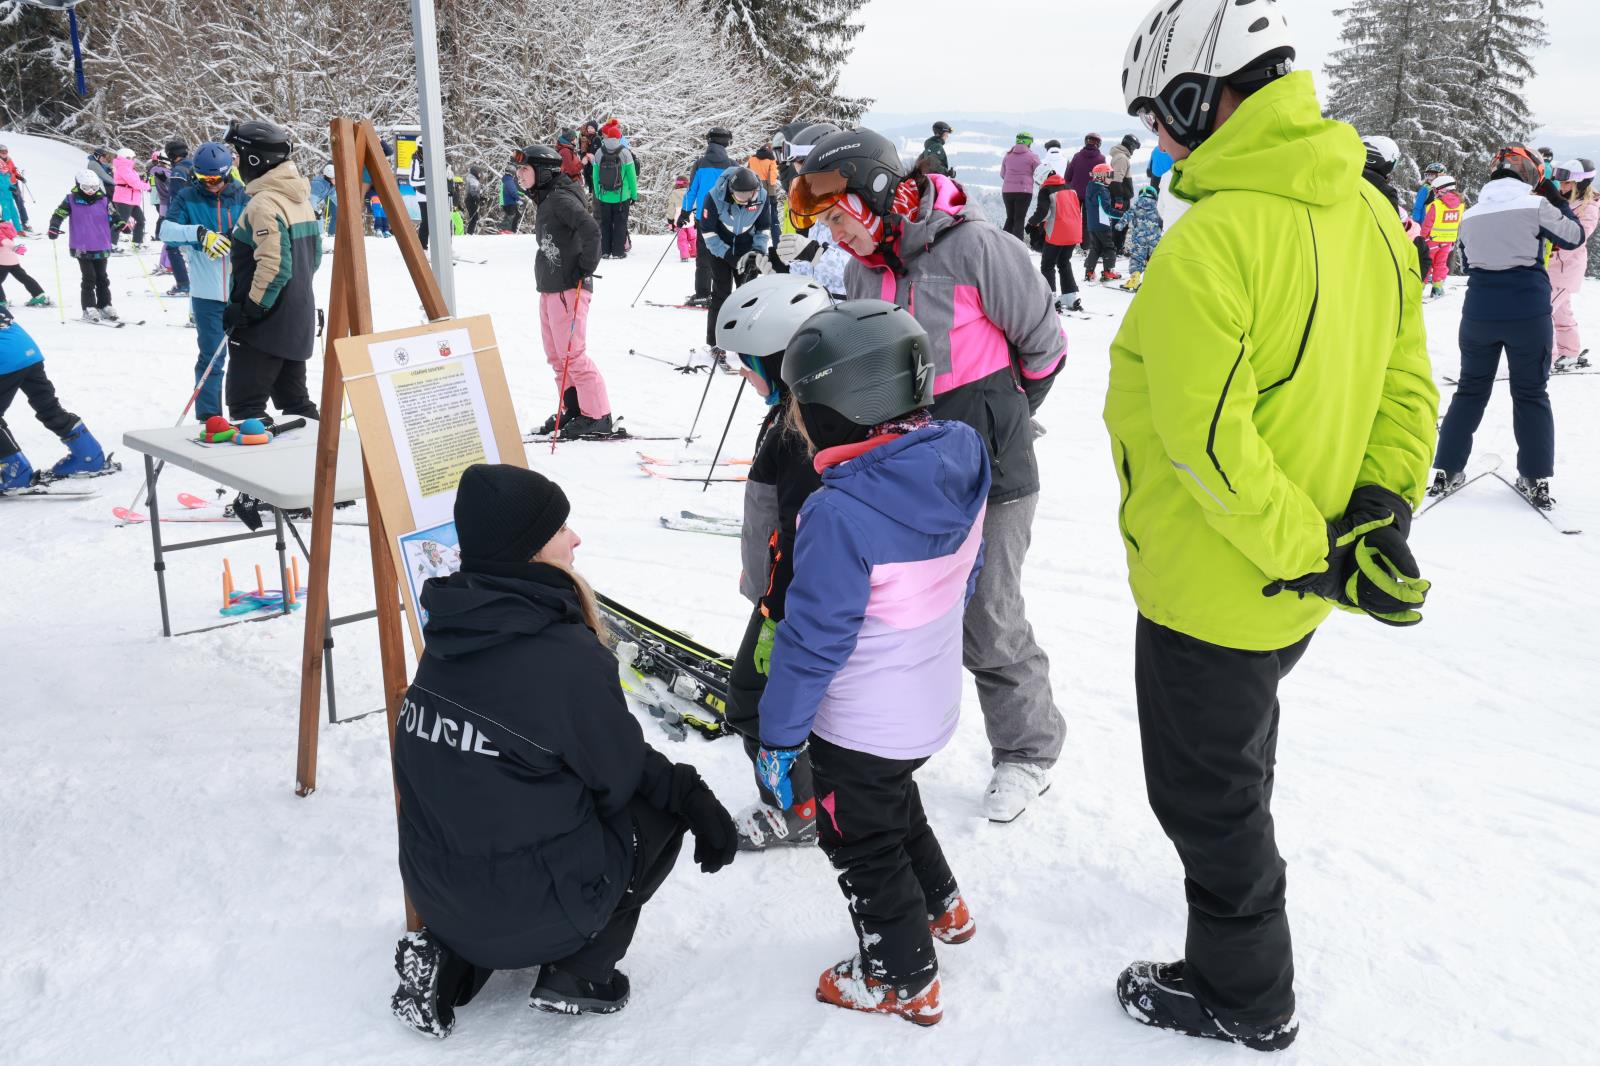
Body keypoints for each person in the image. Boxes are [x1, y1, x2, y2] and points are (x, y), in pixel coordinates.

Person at [1110, 2, 1439, 1049]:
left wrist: (1314, 556)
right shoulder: (1372, 219)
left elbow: (1205, 441)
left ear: (1204, 97)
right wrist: (1375, 515)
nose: (1157, 143)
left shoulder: (1212, 236)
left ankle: (1243, 991)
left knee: (1206, 797)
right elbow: (1406, 389)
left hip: (1218, 582)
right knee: (1236, 750)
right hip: (1291, 580)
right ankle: (1239, 954)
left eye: (1162, 118)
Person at [386, 463, 737, 1034]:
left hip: (436, 895)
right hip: (526, 910)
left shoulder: (448, 634)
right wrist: (689, 795)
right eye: (559, 529)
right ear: (527, 552)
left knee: (499, 802)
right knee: (654, 811)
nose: (575, 539)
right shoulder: (561, 655)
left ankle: (450, 961)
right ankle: (580, 972)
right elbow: (618, 775)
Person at [789, 128, 1069, 822]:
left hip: (992, 470)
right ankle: (886, 744)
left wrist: (997, 414)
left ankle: (1027, 753)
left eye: (836, 215)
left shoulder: (975, 248)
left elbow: (1045, 345)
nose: (835, 235)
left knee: (988, 615)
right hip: (905, 477)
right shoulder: (866, 270)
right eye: (824, 224)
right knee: (899, 615)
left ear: (876, 191)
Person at [755, 300, 989, 1025]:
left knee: (859, 838)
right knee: (892, 804)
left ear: (839, 409)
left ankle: (902, 977)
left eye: (804, 405)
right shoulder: (963, 452)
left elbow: (812, 639)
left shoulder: (838, 513)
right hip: (927, 699)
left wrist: (780, 734)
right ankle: (942, 907)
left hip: (862, 723)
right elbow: (965, 571)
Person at [706, 274, 835, 849]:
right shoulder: (804, 411)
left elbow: (796, 529)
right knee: (798, 703)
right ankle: (820, 796)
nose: (742, 372)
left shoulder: (798, 433)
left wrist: (774, 610)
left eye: (747, 361)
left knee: (754, 704)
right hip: (785, 593)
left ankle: (797, 810)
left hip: (789, 603)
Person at [1431, 145, 1584, 510]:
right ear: (1529, 175)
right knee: (1531, 393)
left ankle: (1447, 470)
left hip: (1479, 314)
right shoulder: (1536, 206)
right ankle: (1534, 476)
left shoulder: (1471, 215)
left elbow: (1466, 262)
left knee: (1469, 391)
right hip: (1527, 313)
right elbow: (1574, 237)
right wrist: (1556, 201)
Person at [221, 119, 323, 425]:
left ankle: (264, 469)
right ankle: (320, 463)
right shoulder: (298, 199)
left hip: (263, 327)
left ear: (255, 160)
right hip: (295, 319)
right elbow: (313, 258)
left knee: (245, 407)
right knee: (295, 402)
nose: (235, 163)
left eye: (237, 155)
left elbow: (276, 266)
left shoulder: (265, 203)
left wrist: (250, 309)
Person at [517, 145, 610, 438]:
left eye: (524, 170)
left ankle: (598, 415)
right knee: (557, 357)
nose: (519, 175)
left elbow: (591, 230)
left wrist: (585, 267)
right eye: (518, 170)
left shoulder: (559, 199)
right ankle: (573, 408)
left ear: (543, 173)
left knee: (573, 355)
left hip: (570, 288)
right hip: (550, 288)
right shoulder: (546, 198)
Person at [160, 142, 249, 422]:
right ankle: (210, 416)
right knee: (211, 356)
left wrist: (234, 239)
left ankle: (245, 411)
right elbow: (166, 230)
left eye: (216, 179)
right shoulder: (188, 197)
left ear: (228, 172)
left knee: (248, 357)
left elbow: (260, 231)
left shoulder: (244, 196)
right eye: (204, 179)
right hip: (207, 293)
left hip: (242, 291)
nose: (210, 184)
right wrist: (200, 235)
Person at [0, 306, 113, 492]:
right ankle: (89, 456)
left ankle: (15, 473)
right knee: (48, 407)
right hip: (28, 352)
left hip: (5, 359)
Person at [695, 166, 770, 351]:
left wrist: (757, 252)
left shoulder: (762, 197)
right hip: (720, 250)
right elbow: (708, 232)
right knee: (721, 294)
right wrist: (728, 254)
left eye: (749, 195)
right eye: (740, 196)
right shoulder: (714, 197)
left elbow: (764, 228)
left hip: (747, 250)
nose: (745, 200)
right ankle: (715, 341)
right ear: (731, 190)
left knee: (749, 297)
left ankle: (745, 339)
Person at [47, 170, 119, 323]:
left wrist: (121, 224)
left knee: (102, 278)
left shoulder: (104, 200)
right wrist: (54, 226)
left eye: (93, 187)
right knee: (89, 277)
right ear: (78, 186)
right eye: (86, 187)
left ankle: (105, 305)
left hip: (101, 244)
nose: (91, 191)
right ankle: (88, 308)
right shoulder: (71, 200)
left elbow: (115, 215)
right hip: (82, 245)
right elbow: (58, 214)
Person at [677, 127, 735, 307]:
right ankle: (723, 295)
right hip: (726, 217)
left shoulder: (700, 164)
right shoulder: (732, 164)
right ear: (726, 143)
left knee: (704, 256)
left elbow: (692, 190)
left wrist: (685, 212)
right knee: (725, 255)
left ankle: (702, 294)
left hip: (705, 216)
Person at [1550, 158, 1597, 370]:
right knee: (1562, 312)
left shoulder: (1589, 208)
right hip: (1551, 267)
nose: (1562, 186)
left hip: (1565, 269)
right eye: (1561, 181)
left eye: (1568, 182)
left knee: (1541, 312)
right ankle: (1568, 352)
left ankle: (1544, 357)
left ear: (1581, 183)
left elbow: (1577, 237)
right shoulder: (1562, 199)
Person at [1025, 170, 1083, 311]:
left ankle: (1050, 297)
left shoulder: (1046, 190)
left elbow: (1043, 213)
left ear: (1042, 178)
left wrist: (1031, 223)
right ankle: (1070, 296)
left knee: (1047, 264)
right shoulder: (1070, 188)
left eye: (1039, 182)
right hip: (1074, 231)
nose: (1040, 185)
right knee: (1064, 262)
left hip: (1057, 232)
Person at [591, 119, 638, 260]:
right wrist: (633, 195)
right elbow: (632, 177)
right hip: (621, 196)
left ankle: (605, 251)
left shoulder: (599, 152)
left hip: (604, 195)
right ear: (618, 137)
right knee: (620, 223)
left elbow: (595, 176)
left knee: (605, 223)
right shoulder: (625, 153)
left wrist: (598, 193)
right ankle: (618, 252)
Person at [1419, 173, 1465, 299]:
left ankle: (1419, 288)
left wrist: (1421, 238)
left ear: (1442, 189)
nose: (1434, 193)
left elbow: (1427, 224)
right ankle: (1437, 288)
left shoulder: (1436, 205)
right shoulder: (1461, 205)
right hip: (1447, 242)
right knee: (1440, 264)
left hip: (1432, 241)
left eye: (1435, 190)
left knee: (1425, 264)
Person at [1120, 177, 1164, 291]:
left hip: (1139, 239)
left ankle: (1134, 280)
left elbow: (1126, 216)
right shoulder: (1158, 207)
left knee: (1137, 259)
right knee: (1154, 258)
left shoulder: (1135, 206)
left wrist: (1119, 226)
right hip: (1155, 239)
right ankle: (1154, 281)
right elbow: (1163, 220)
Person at [1082, 163, 1123, 281]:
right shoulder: (1102, 190)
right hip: (1102, 225)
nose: (1111, 177)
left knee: (1096, 247)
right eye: (1109, 174)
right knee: (1109, 247)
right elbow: (1107, 210)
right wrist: (1122, 215)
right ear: (1101, 176)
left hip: (1092, 225)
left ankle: (1089, 272)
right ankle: (1108, 271)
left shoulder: (1091, 187)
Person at [998, 133, 1040, 240]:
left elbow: (1002, 174)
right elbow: (1039, 173)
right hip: (1024, 191)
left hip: (1007, 191)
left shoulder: (1007, 156)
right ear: (1029, 142)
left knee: (1010, 218)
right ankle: (1018, 247)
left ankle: (1002, 243)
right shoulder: (1032, 157)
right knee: (1019, 219)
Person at [0, 222, 49, 307]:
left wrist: (15, 247)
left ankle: (1, 302)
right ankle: (39, 295)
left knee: (23, 277)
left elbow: (4, 240)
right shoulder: (6, 226)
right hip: (12, 260)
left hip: (2, 261)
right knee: (24, 277)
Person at [110, 148, 150, 250]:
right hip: (123, 199)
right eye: (129, 158)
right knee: (121, 222)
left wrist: (143, 181)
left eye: (132, 158)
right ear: (123, 157)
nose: (131, 160)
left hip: (132, 200)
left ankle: (137, 242)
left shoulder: (130, 168)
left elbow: (135, 181)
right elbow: (134, 183)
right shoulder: (123, 167)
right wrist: (147, 186)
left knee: (141, 220)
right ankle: (111, 244)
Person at [1108, 133, 1141, 253]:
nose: (1133, 150)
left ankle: (1118, 247)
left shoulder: (1120, 156)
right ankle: (1117, 248)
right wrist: (1119, 199)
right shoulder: (1122, 158)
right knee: (1120, 223)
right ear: (1131, 145)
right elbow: (1117, 179)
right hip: (1120, 197)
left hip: (1121, 196)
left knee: (1121, 223)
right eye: (1134, 147)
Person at [1063, 132, 1106, 214]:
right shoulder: (1101, 159)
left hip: (1075, 193)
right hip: (1092, 195)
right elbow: (1102, 181)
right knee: (1088, 221)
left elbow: (1068, 176)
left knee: (1074, 217)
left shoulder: (1077, 156)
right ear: (1099, 144)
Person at [0, 144, 30, 231]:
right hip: (4, 187)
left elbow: (13, 171)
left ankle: (24, 223)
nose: (4, 153)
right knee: (6, 205)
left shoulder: (9, 160)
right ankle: (5, 225)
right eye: (2, 152)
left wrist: (19, 177)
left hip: (13, 184)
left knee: (19, 203)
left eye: (6, 151)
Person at [408, 144, 432, 251]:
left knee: (443, 221)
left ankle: (444, 248)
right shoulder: (416, 160)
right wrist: (429, 180)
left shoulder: (432, 157)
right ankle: (422, 247)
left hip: (434, 194)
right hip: (423, 195)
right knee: (427, 221)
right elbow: (412, 181)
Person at [671, 176, 698, 261]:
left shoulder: (674, 194)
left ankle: (684, 256)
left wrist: (670, 219)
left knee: (682, 239)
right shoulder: (690, 193)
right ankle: (695, 252)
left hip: (679, 222)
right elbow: (695, 206)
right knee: (692, 238)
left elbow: (671, 208)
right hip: (690, 221)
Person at [310, 163, 335, 238]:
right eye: (335, 178)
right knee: (318, 219)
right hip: (304, 205)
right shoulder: (318, 184)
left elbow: (335, 198)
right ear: (329, 177)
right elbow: (312, 199)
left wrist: (343, 208)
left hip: (313, 206)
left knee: (319, 220)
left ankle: (320, 239)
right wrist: (315, 211)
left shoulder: (330, 186)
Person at [499, 163, 521, 233]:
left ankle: (511, 230)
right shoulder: (509, 180)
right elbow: (512, 192)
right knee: (511, 216)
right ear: (512, 173)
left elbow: (510, 190)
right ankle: (506, 230)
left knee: (516, 215)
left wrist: (520, 193)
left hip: (506, 202)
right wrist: (519, 199)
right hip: (510, 202)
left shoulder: (505, 179)